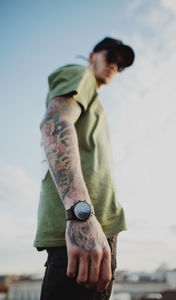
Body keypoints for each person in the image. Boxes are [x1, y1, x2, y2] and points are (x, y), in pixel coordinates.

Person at [34, 37, 135, 300]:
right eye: (111, 57)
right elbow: (54, 122)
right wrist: (81, 216)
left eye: (121, 64)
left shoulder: (92, 98)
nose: (116, 65)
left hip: (94, 229)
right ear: (92, 56)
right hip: (85, 230)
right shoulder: (81, 75)